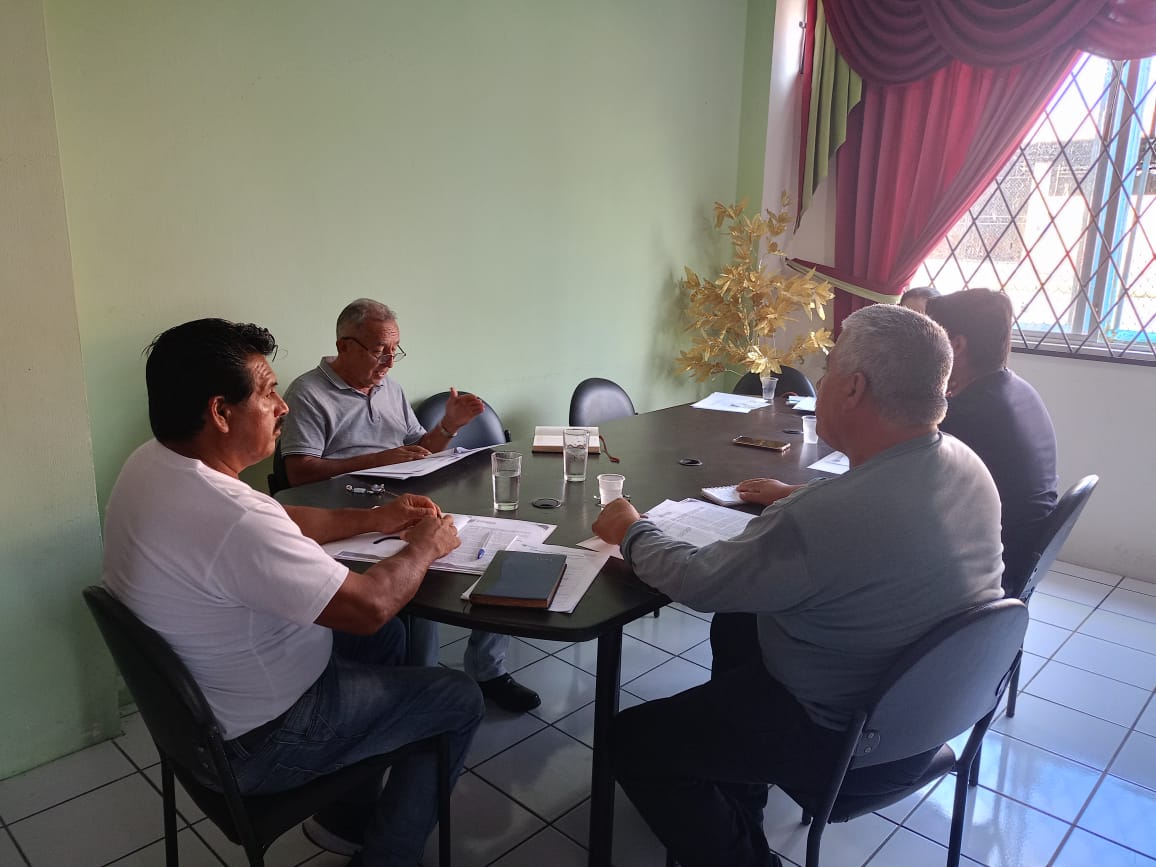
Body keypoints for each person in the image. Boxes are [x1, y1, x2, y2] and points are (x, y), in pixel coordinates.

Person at [592, 305, 1005, 867]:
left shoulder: (825, 519)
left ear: (854, 389)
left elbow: (698, 580)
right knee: (740, 625)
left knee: (633, 740)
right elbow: (873, 517)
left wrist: (631, 530)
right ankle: (739, 795)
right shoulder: (967, 466)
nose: (823, 380)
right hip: (934, 713)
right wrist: (797, 496)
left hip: (843, 739)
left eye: (829, 369)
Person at [102, 319, 484, 867]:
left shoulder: (155, 463)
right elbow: (369, 607)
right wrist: (426, 546)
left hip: (203, 717)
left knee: (386, 644)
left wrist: (374, 517)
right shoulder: (232, 514)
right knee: (457, 696)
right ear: (220, 411)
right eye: (268, 393)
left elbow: (277, 518)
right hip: (261, 741)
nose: (282, 407)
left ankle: (345, 817)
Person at [281, 299, 541, 713]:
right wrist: (378, 460)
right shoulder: (308, 393)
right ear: (344, 346)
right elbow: (299, 473)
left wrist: (449, 426)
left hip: (403, 498)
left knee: (498, 545)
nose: (388, 362)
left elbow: (420, 450)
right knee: (425, 567)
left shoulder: (390, 388)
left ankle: (488, 669)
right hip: (349, 515)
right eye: (378, 351)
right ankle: (422, 686)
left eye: (394, 351)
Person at [926, 288, 1059, 595]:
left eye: (929, 339)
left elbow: (897, 478)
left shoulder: (968, 412)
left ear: (956, 345)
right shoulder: (1017, 389)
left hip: (988, 567)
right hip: (1020, 554)